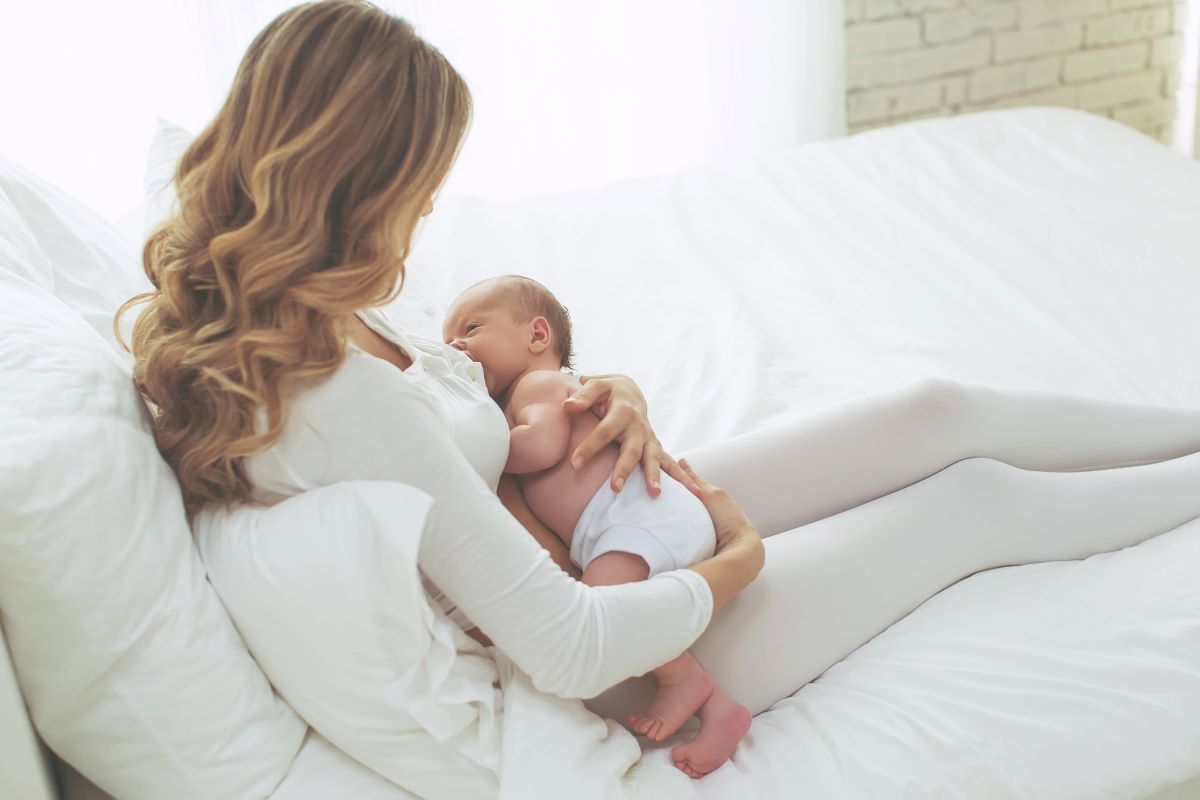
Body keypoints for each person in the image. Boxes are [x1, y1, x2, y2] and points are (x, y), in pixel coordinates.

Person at [113, 0, 1200, 786]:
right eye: (420, 188)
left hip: (589, 518)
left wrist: (601, 385)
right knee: (976, 503)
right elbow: (568, 643)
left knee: (933, 408)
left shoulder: (306, 307)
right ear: (358, 181)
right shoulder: (334, 393)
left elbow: (470, 410)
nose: (429, 212)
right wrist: (735, 557)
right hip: (620, 639)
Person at [441, 274, 752, 775]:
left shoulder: (538, 386)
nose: (455, 343)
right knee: (614, 614)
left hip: (642, 521)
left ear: (538, 337)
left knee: (596, 614)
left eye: (471, 328)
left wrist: (472, 449)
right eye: (448, 338)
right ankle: (719, 711)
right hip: (630, 528)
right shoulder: (521, 397)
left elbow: (540, 446)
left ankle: (687, 682)